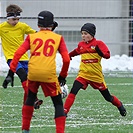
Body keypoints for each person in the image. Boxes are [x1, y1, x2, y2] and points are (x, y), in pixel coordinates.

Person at [8, 10, 70, 133]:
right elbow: (67, 59)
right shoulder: (58, 38)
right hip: (48, 74)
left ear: (38, 25)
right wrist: (62, 76)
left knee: (30, 98)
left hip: (33, 73)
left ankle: (25, 129)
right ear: (52, 25)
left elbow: (18, 54)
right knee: (58, 103)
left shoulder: (32, 37)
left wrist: (10, 73)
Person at [64, 23, 127, 117]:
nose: (83, 36)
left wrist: (100, 52)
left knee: (107, 97)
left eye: (85, 33)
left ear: (92, 34)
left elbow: (107, 55)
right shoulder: (81, 45)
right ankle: (64, 112)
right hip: (83, 74)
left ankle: (119, 105)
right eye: (82, 33)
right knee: (74, 90)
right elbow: (76, 51)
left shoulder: (99, 44)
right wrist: (69, 55)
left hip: (96, 76)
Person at [0, 4, 43, 109]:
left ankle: (27, 106)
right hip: (11, 58)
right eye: (14, 19)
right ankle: (34, 99)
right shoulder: (1, 28)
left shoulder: (22, 26)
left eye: (17, 19)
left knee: (29, 81)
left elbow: (35, 34)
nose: (16, 22)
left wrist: (46, 32)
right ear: (8, 18)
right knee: (23, 76)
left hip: (24, 58)